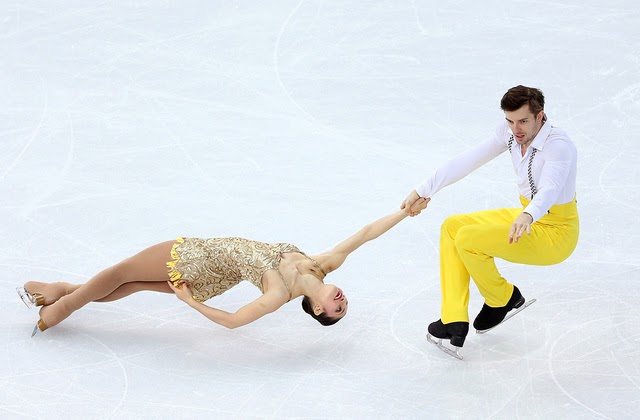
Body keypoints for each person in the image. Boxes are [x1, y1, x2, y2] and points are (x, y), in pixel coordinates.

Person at [18, 199, 429, 336]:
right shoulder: (322, 264)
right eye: (345, 304)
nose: (342, 301)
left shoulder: (279, 294)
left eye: (337, 310)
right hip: (212, 278)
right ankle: (61, 289)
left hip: (197, 258)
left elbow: (233, 322)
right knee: (132, 284)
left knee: (121, 271)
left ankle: (59, 309)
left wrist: (189, 302)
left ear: (318, 309)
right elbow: (366, 234)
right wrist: (405, 211)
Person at [400, 85, 579, 357]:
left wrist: (528, 214)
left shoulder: (559, 146)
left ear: (540, 116)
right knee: (453, 227)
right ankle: (453, 319)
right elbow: (468, 160)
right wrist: (423, 190)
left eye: (523, 121)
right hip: (526, 216)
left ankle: (501, 297)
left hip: (555, 232)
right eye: (510, 121)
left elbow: (550, 188)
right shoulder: (510, 133)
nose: (516, 129)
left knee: (467, 239)